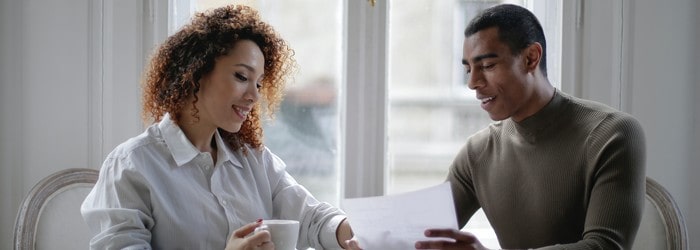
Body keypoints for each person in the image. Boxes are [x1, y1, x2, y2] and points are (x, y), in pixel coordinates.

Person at [81, 5, 353, 250]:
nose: (254, 96)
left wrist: (350, 232)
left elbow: (311, 219)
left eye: (258, 84)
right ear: (196, 72)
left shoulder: (254, 160)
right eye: (241, 76)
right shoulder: (132, 165)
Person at [413, 4, 646, 250]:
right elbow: (421, 233)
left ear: (531, 58)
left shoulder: (613, 134)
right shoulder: (477, 153)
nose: (472, 83)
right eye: (468, 69)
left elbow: (605, 246)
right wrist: (376, 241)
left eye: (488, 66)